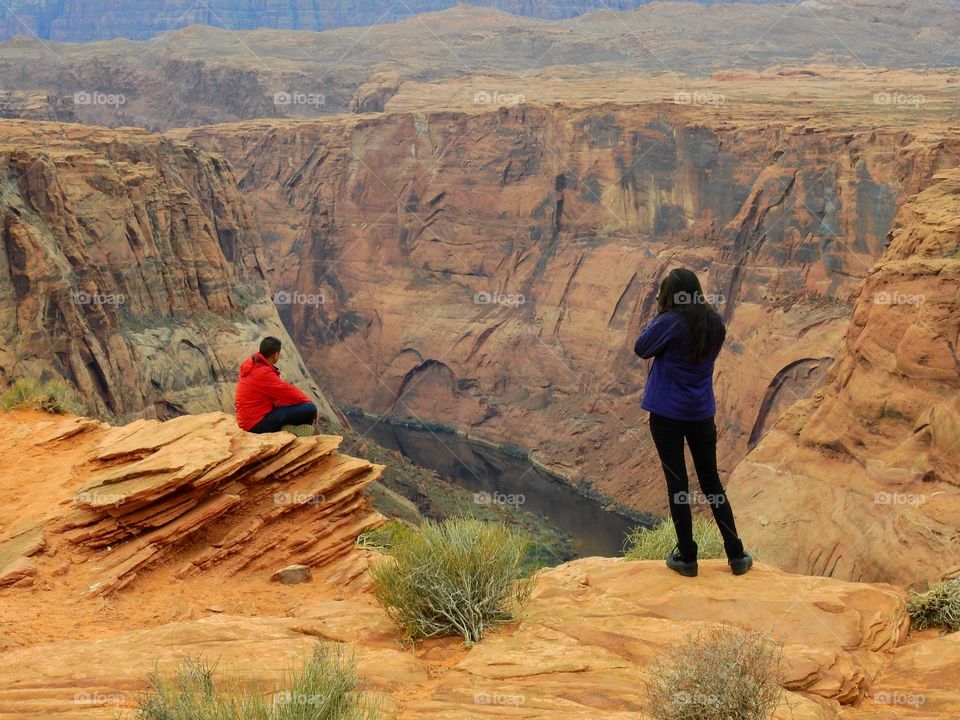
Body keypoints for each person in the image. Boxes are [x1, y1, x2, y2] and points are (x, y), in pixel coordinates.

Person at [634, 268, 752, 577]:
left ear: (670, 295)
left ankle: (687, 557)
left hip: (667, 415)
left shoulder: (669, 322)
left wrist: (660, 313)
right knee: (711, 482)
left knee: (678, 485)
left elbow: (641, 348)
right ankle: (736, 554)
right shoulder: (714, 323)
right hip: (701, 414)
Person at [235, 337, 318, 434]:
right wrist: (308, 402)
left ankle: (290, 428)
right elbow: (286, 391)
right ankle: (294, 432)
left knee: (293, 407)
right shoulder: (263, 373)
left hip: (249, 419)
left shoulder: (253, 364)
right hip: (255, 425)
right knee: (310, 409)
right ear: (275, 355)